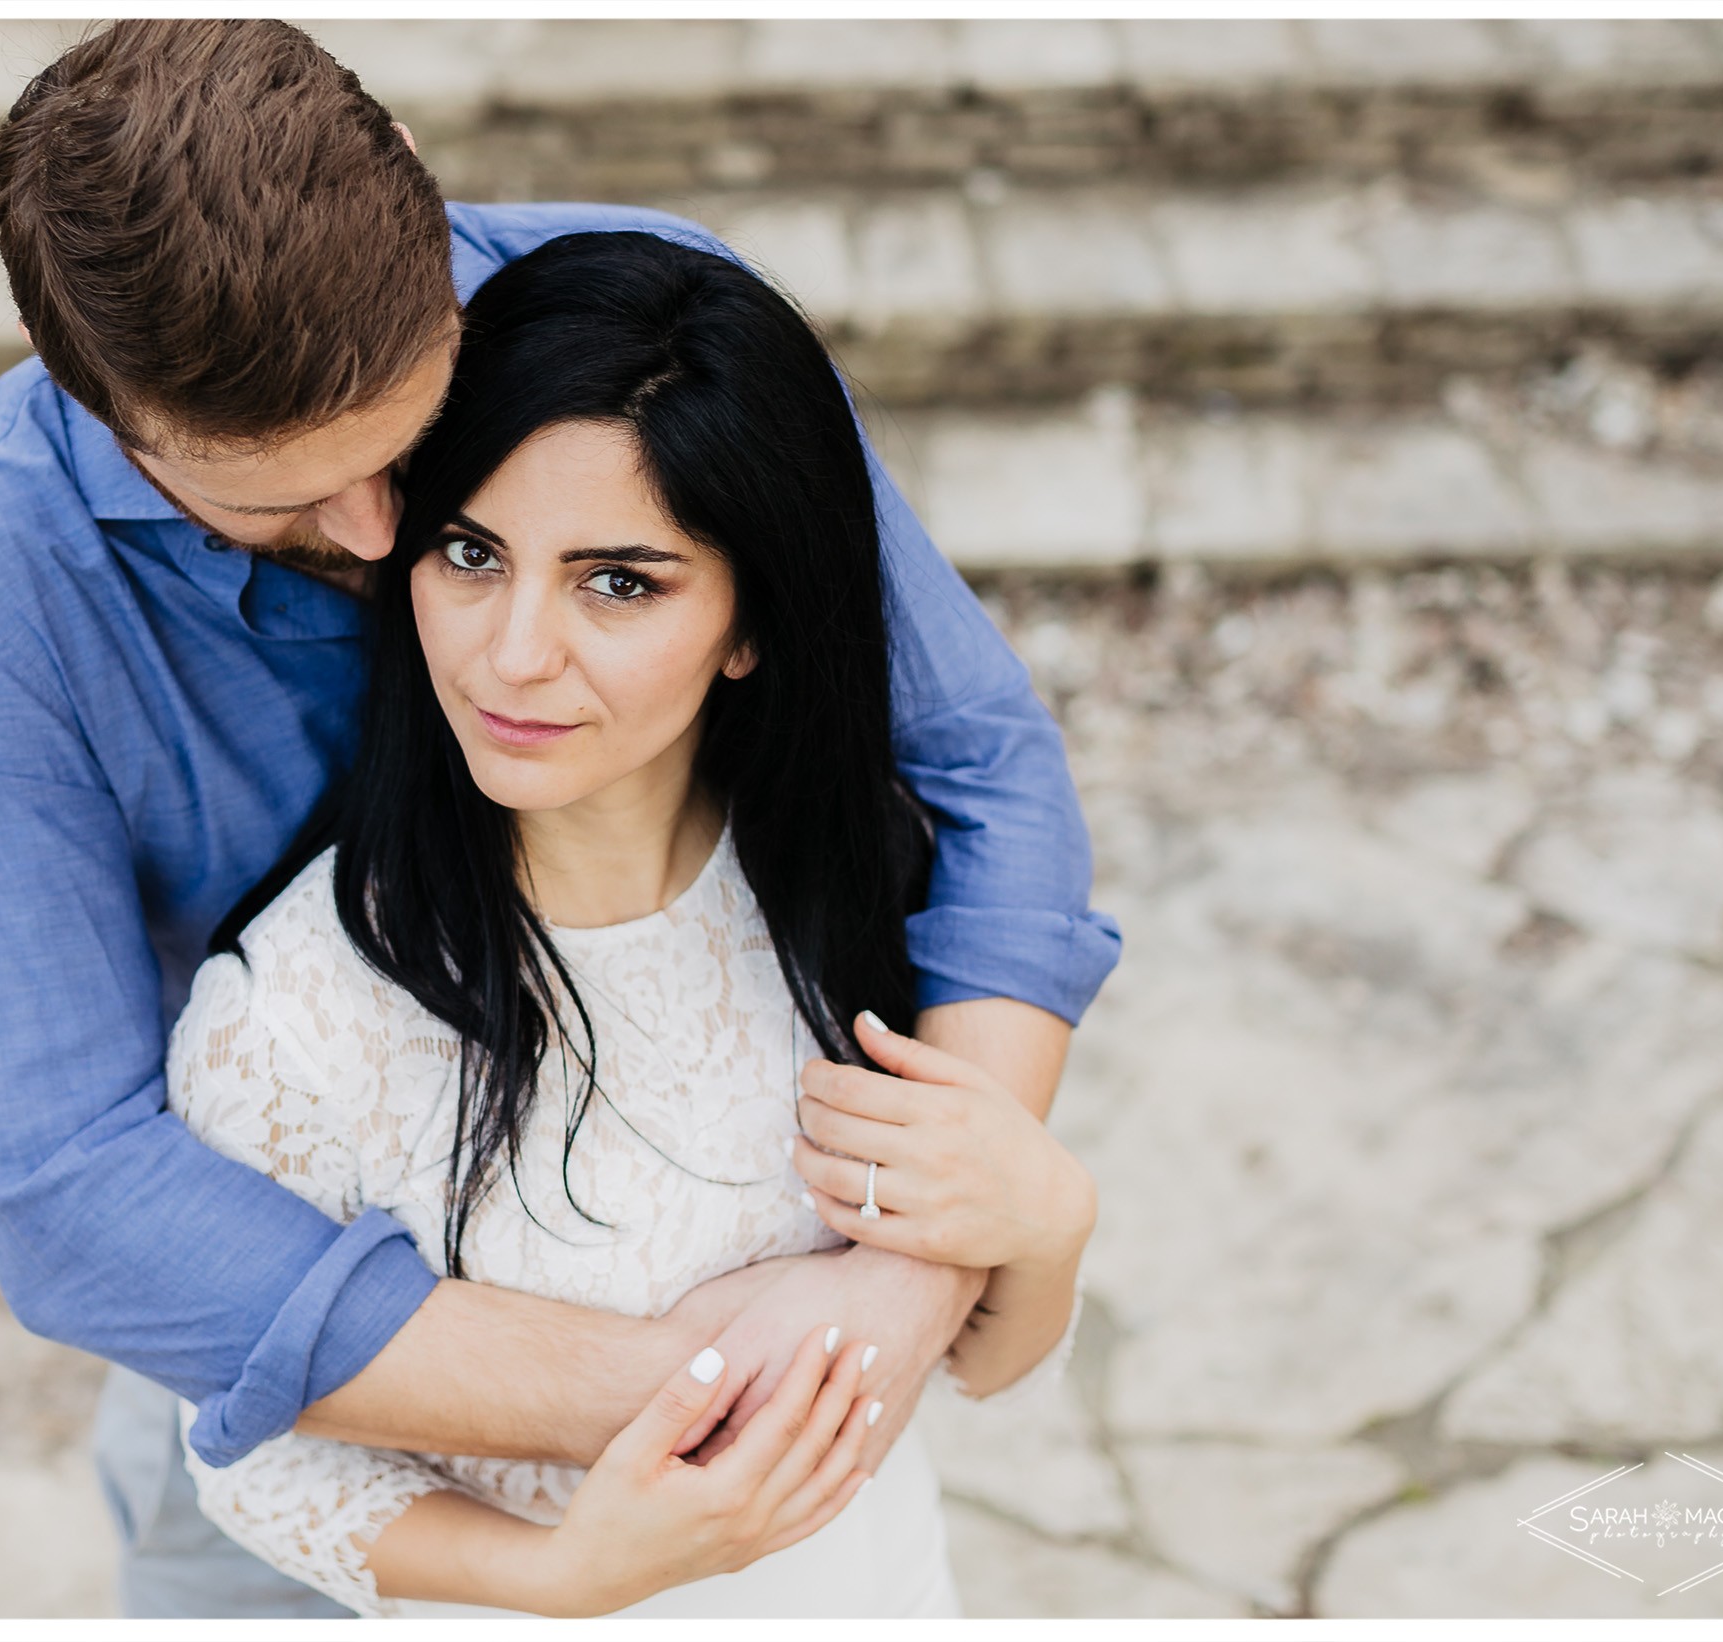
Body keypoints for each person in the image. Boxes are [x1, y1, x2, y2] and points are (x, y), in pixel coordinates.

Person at [0, 19, 1120, 1616]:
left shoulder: (622, 326)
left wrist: (925, 1243)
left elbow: (980, 760)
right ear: (109, 410)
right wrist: (696, 1386)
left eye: (411, 451)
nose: (381, 536)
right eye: (288, 496)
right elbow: (71, 1196)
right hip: (280, 1258)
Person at [166, 229, 1096, 1618]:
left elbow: (979, 1357)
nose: (514, 651)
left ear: (749, 620)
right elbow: (253, 1465)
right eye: (470, 552)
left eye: (620, 581)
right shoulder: (293, 1020)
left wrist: (1052, 1218)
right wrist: (564, 1574)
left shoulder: (876, 884)